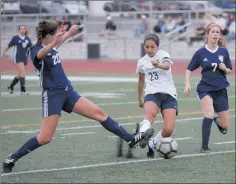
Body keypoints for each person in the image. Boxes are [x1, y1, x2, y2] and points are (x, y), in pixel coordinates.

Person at [2, 20, 154, 173]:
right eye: (55, 34)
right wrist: (56, 40)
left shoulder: (51, 45)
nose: (57, 36)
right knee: (44, 138)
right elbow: (42, 54)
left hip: (68, 92)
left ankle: (130, 139)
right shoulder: (35, 50)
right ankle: (13, 157)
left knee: (100, 115)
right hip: (52, 95)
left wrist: (68, 34)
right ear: (48, 36)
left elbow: (53, 46)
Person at [118, 34, 178, 158]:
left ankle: (151, 143)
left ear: (157, 46)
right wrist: (139, 98)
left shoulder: (163, 55)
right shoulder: (142, 62)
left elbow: (167, 65)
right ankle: (142, 134)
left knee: (168, 130)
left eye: (152, 47)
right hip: (152, 94)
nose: (149, 49)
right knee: (149, 116)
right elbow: (141, 81)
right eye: (147, 47)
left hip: (169, 95)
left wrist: (158, 65)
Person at [184, 23, 232, 153]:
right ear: (207, 34)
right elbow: (189, 69)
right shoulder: (200, 52)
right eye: (213, 32)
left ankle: (217, 121)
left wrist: (225, 69)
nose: (216, 34)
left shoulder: (224, 52)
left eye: (218, 32)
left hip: (221, 90)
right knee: (209, 114)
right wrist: (187, 84)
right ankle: (204, 147)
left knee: (225, 125)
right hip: (205, 88)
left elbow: (229, 70)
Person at [1, 25, 32, 94]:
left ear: (26, 30)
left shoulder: (27, 39)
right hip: (17, 58)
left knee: (20, 74)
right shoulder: (15, 38)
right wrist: (2, 54)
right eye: (21, 29)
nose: (23, 30)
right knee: (23, 73)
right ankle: (23, 90)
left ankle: (11, 86)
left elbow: (31, 48)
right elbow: (8, 47)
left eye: (24, 29)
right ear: (19, 30)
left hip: (25, 58)